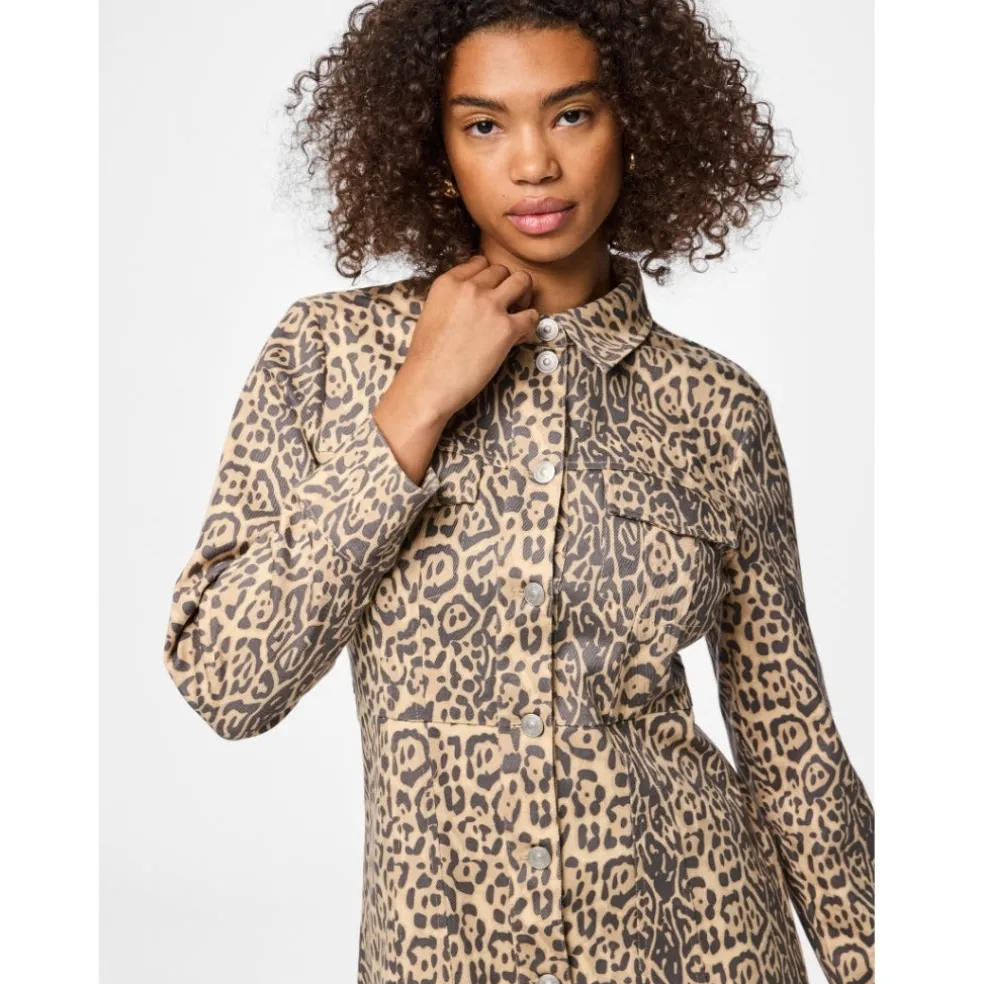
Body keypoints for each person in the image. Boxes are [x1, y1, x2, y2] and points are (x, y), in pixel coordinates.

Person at [161, 2, 874, 983]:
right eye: (485, 124)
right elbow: (226, 682)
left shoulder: (718, 407)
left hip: (693, 945)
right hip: (441, 956)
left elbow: (792, 748)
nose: (534, 162)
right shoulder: (328, 354)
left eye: (572, 114)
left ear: (636, 124)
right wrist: (415, 403)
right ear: (436, 147)